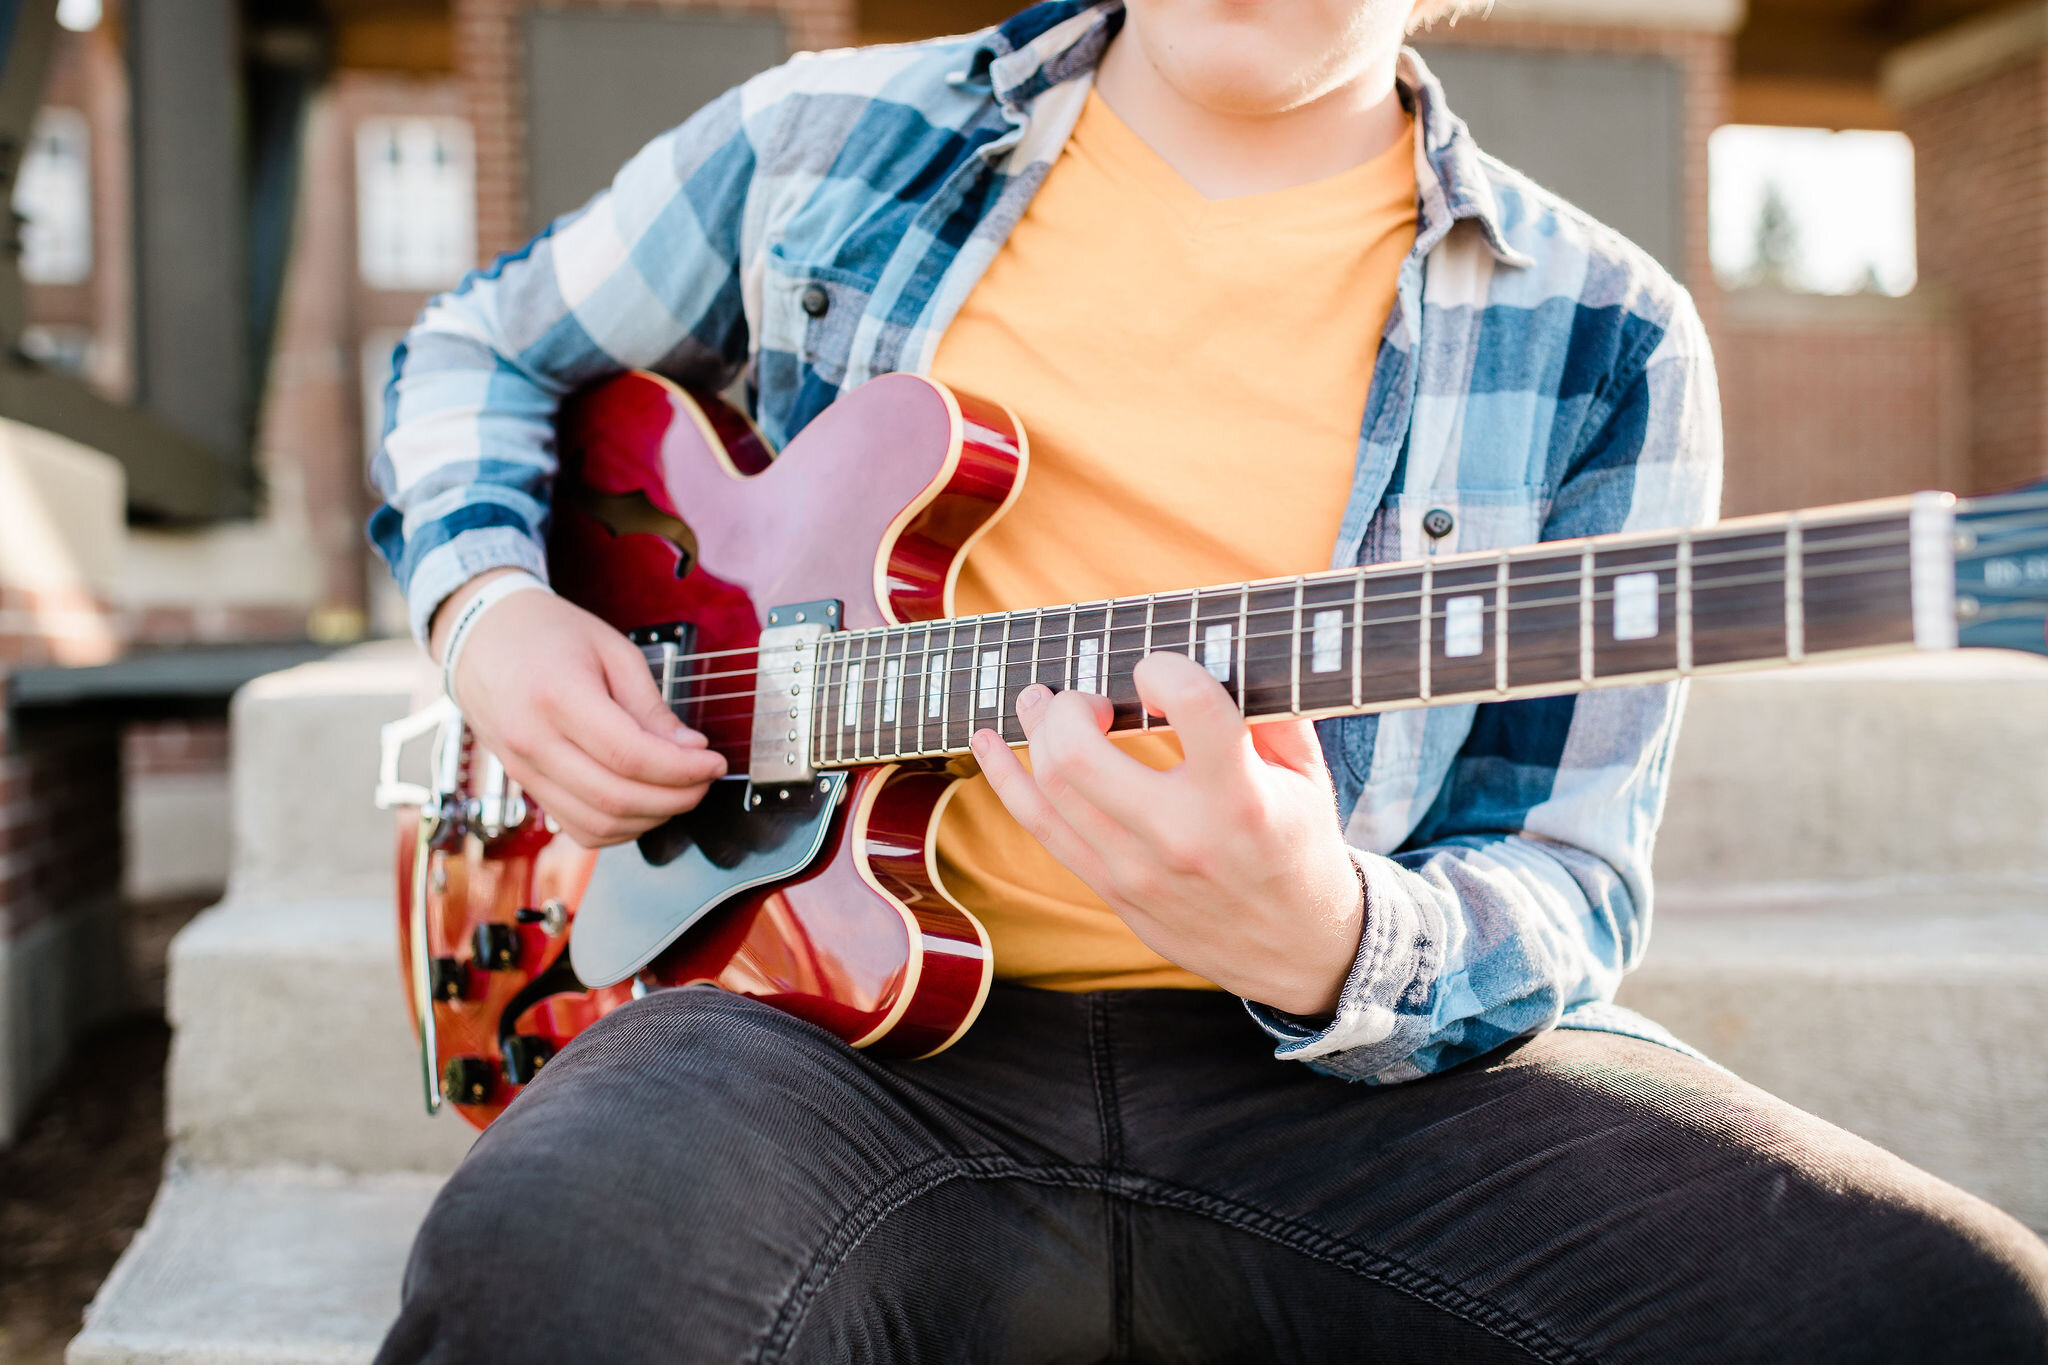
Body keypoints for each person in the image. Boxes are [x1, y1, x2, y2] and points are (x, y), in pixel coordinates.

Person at [367, 1, 2048, 1358]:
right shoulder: (827, 137)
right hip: (810, 1040)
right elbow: (477, 347)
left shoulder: (1609, 327)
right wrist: (491, 612)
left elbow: (1571, 874)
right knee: (557, 1259)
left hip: (1348, 1089)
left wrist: (1332, 935)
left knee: (1939, 1307)